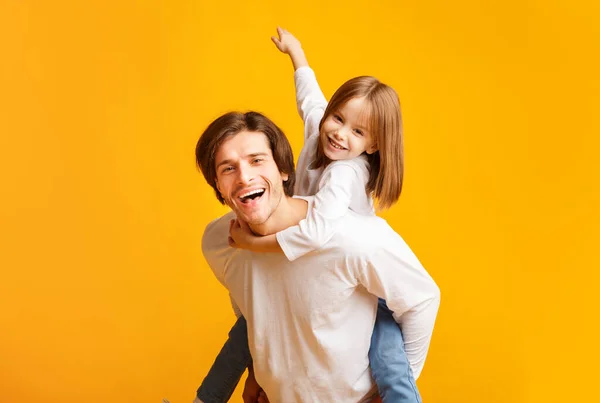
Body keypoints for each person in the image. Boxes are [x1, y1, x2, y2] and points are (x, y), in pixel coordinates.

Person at [193, 102, 440, 402]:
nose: (244, 177)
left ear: (283, 170)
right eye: (228, 168)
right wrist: (256, 371)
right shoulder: (220, 242)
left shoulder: (351, 237)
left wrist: (392, 393)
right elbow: (249, 305)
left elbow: (422, 299)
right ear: (218, 186)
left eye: (256, 160)